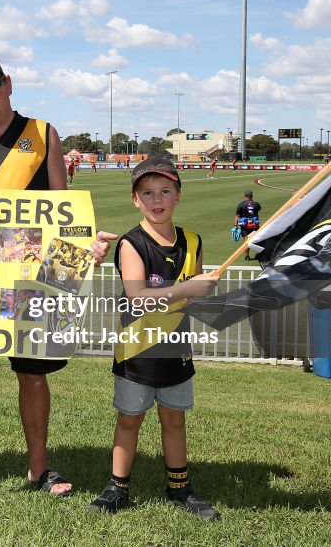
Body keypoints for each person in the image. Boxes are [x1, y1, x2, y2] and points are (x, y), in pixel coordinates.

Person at [0, 53, 116, 496]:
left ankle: (39, 467)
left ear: (8, 83)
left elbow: (61, 206)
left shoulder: (43, 133)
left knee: (33, 374)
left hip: (33, 277)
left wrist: (83, 245)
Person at [87, 156, 220, 519]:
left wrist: (202, 289)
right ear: (135, 199)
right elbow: (138, 297)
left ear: (178, 195)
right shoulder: (131, 243)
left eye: (165, 190)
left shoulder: (192, 240)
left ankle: (180, 488)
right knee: (130, 418)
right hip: (137, 350)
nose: (156, 199)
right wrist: (188, 288)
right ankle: (118, 487)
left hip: (175, 347)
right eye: (147, 192)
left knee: (174, 418)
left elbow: (191, 295)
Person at [235, 189, 262, 260]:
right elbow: (258, 209)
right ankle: (258, 255)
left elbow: (237, 216)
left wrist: (235, 225)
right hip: (254, 226)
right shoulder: (256, 204)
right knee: (256, 240)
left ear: (244, 196)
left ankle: (247, 256)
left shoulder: (241, 205)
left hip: (245, 226)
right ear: (252, 196)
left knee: (246, 241)